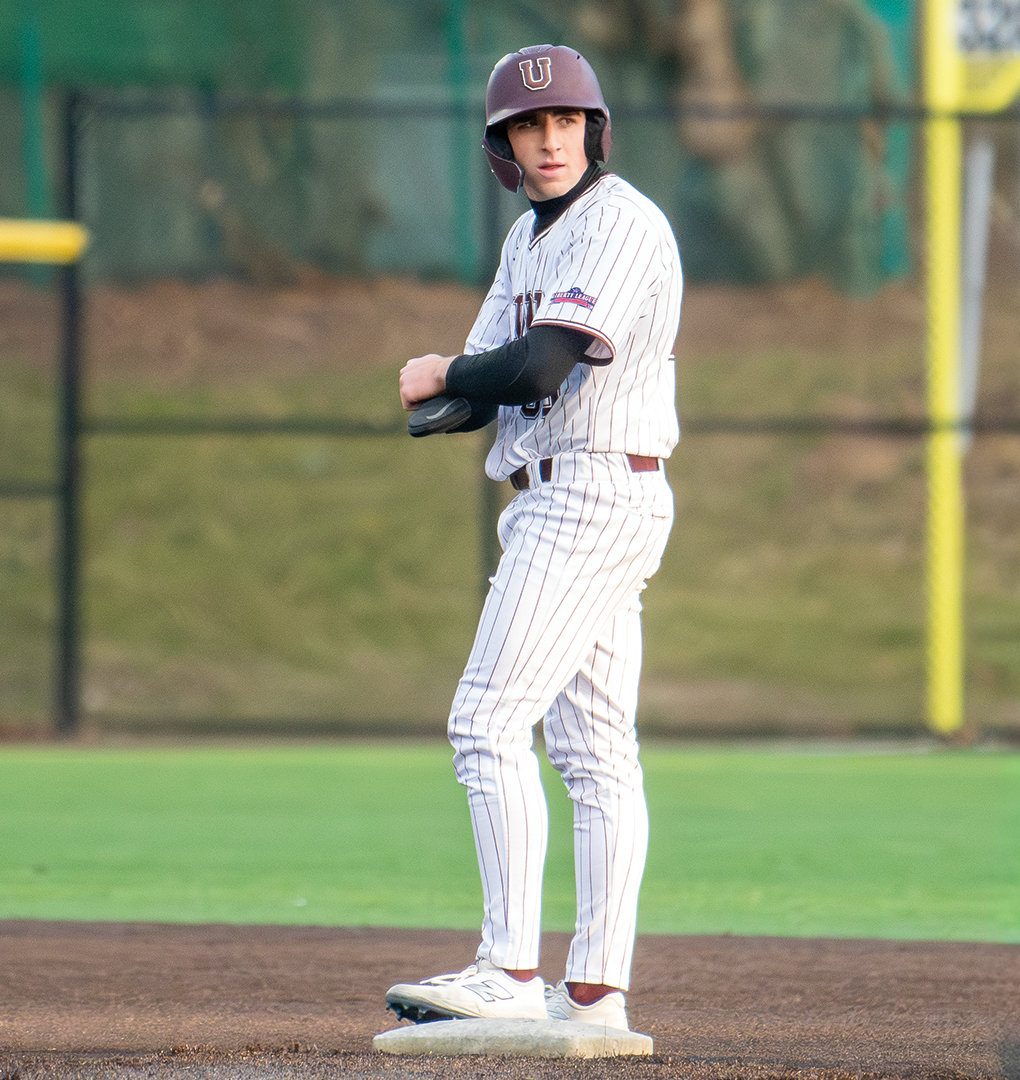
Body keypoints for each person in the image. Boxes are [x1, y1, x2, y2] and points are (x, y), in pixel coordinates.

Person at [384, 44, 682, 1033]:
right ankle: (594, 994)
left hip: (590, 496)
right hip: (572, 491)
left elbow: (542, 366)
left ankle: (508, 974)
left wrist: (446, 373)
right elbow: (489, 377)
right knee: (596, 752)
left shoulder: (620, 223)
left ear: (594, 130)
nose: (548, 139)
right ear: (503, 145)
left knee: (485, 721)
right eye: (527, 125)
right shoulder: (529, 240)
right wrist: (452, 387)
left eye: (564, 122)